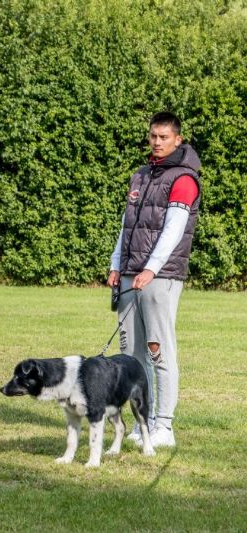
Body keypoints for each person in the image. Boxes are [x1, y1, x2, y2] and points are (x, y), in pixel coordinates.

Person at [107, 112, 201, 448]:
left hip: (160, 276)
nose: (157, 142)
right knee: (132, 355)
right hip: (130, 274)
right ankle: (142, 423)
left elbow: (174, 230)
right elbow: (127, 224)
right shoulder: (141, 176)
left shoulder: (184, 179)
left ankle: (165, 426)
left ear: (177, 139)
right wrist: (116, 264)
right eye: (153, 136)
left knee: (158, 350)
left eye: (164, 137)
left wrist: (152, 268)